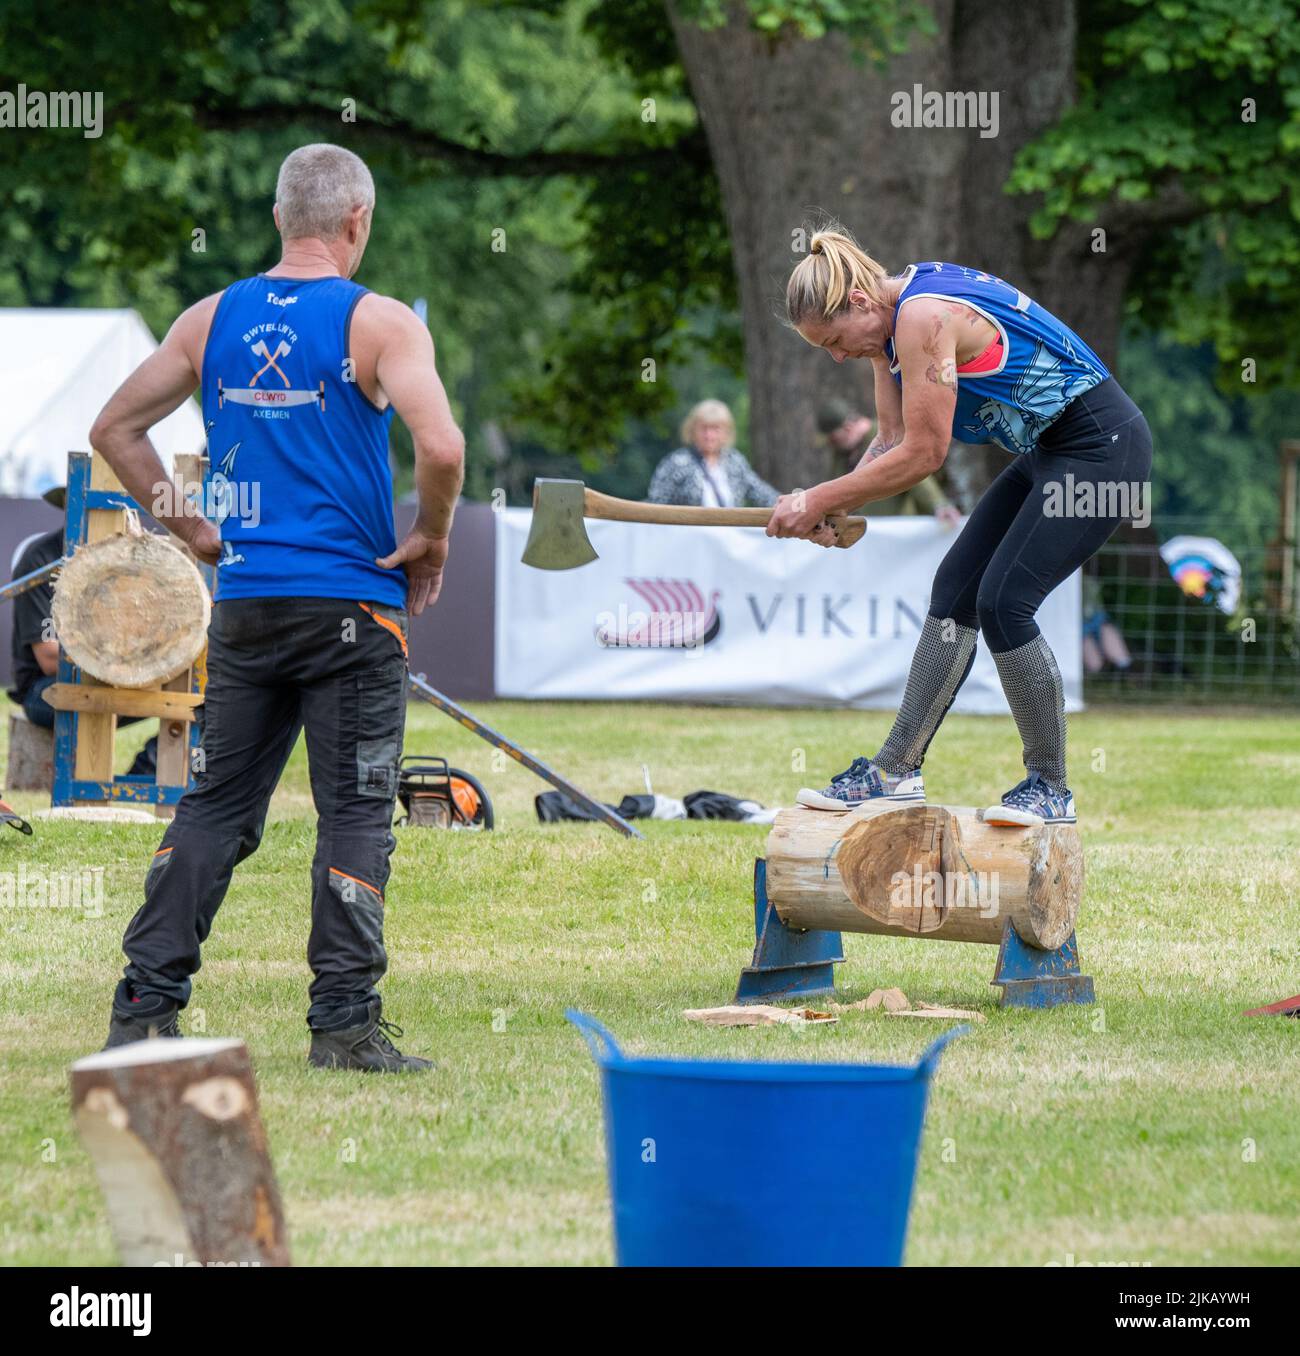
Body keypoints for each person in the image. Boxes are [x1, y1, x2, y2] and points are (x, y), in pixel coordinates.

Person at [89, 143, 466, 1071]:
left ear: (278, 220)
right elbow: (444, 448)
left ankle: (144, 1007)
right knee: (354, 813)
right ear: (357, 224)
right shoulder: (378, 323)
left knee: (216, 808)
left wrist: (194, 532)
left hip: (251, 601)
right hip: (353, 609)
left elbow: (115, 430)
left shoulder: (209, 319)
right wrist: (434, 536)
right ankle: (342, 1026)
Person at [769, 226, 1152, 826]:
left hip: (1102, 451)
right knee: (955, 593)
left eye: (836, 340)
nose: (838, 356)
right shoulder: (890, 331)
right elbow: (891, 441)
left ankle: (1051, 788)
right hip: (1052, 451)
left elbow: (925, 454)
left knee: (1004, 602)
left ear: (862, 303)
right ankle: (895, 771)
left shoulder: (922, 319)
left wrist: (816, 497)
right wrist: (834, 508)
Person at [7, 487, 159, 774]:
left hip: (118, 676)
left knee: (189, 698)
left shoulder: (129, 562)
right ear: (69, 505)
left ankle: (143, 777)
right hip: (45, 688)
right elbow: (51, 659)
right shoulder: (42, 559)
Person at [817, 396, 960, 524]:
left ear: (848, 428)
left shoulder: (886, 439)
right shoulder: (842, 453)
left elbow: (913, 473)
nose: (832, 444)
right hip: (866, 538)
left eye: (833, 439)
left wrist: (939, 504)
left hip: (897, 531)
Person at [648, 399, 778, 507]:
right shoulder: (676, 463)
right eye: (704, 428)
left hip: (727, 536)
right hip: (688, 536)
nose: (709, 435)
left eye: (715, 429)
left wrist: (790, 506)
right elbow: (655, 504)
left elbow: (760, 492)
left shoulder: (735, 461)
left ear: (726, 432)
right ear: (692, 430)